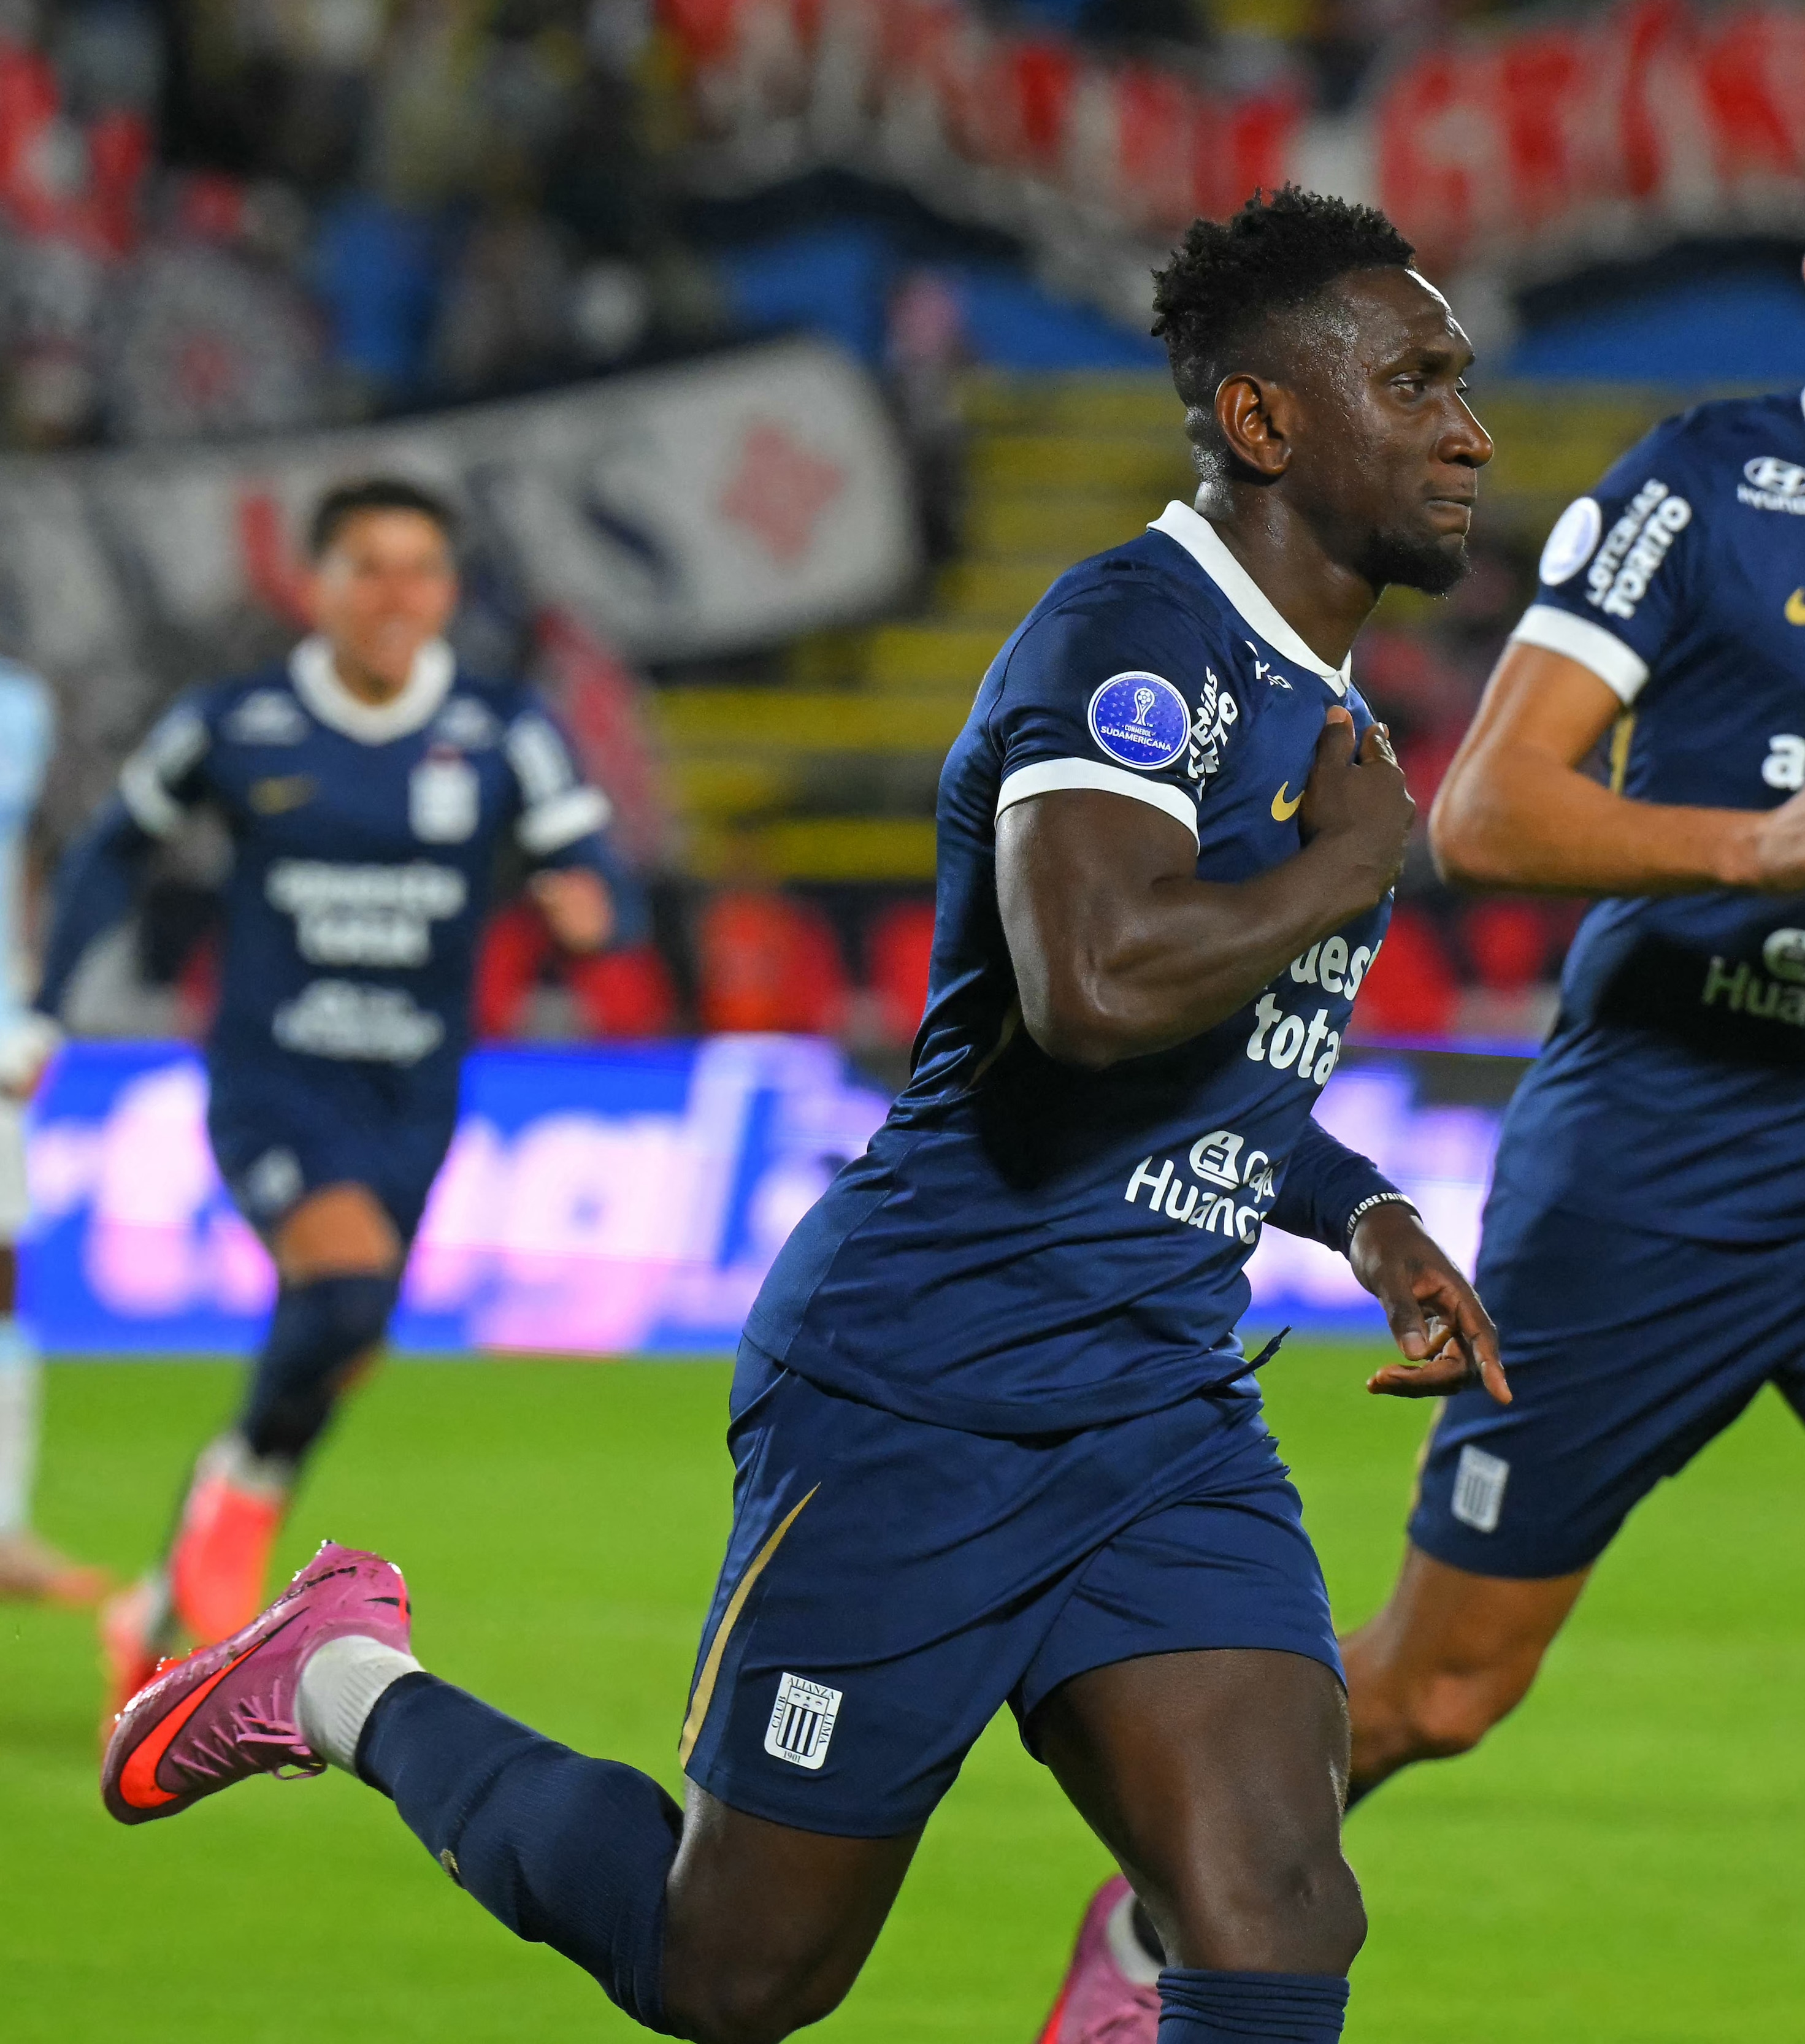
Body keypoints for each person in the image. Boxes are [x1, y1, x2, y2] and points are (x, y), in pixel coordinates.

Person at [102, 186, 1505, 2044]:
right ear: (1262, 420)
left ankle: (1128, 1987)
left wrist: (1367, 1213)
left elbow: (1215, 1066)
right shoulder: (1135, 643)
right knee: (734, 1973)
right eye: (1415, 382)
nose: (1468, 431)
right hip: (928, 1383)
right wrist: (1342, 870)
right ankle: (342, 1674)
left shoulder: (1321, 721)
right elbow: (1092, 986)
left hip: (1154, 1397)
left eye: (1457, 385)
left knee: (1275, 1910)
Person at [1049, 98, 1805, 2044]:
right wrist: (1759, 843)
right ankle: (1157, 1915)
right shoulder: (1707, 487)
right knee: (1442, 1686)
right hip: (1653, 1170)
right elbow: (1487, 806)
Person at [29, 478, 645, 1704]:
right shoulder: (237, 722)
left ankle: (159, 1600)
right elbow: (112, 852)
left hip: (415, 1093)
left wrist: (593, 909)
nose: (396, 595)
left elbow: (600, 874)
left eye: (421, 569)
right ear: (314, 585)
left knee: (339, 1342)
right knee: (346, 1287)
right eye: (369, 567)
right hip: (272, 1076)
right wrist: (47, 1007)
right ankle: (222, 1552)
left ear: (450, 591)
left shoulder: (501, 728)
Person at [0, 654, 105, 1604]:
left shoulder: (19, 706)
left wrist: (26, 1001)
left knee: (2, 1281)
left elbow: (27, 860)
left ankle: (1, 1523)